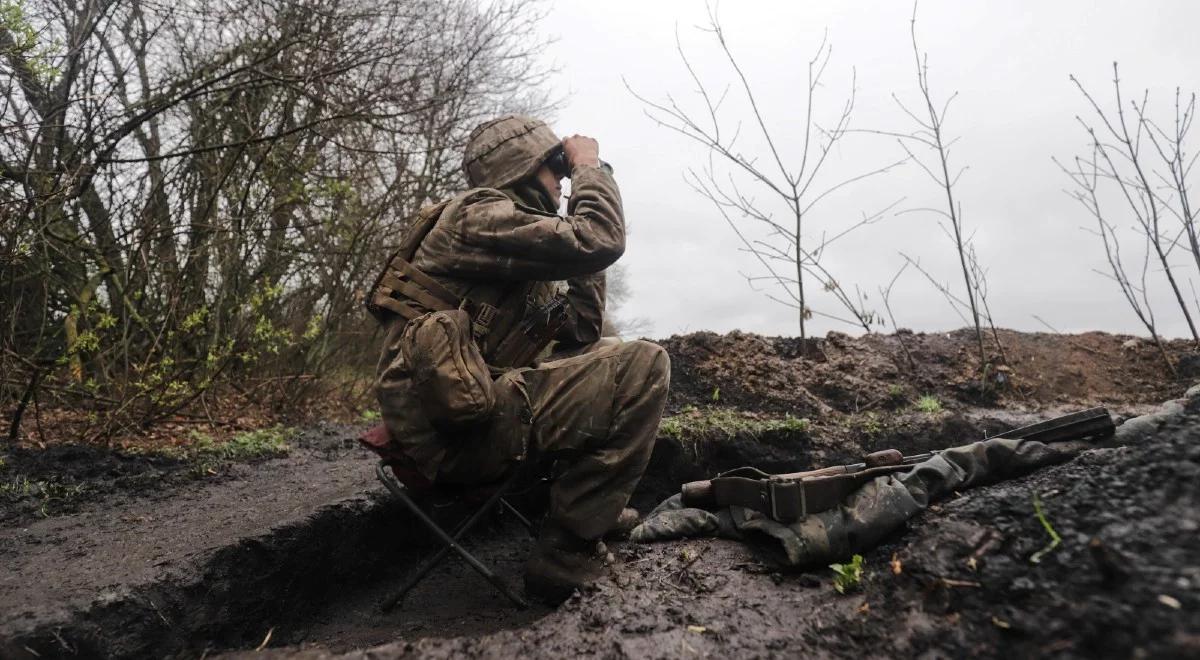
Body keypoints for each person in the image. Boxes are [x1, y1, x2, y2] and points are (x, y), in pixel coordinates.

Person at [366, 115, 671, 604]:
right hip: (452, 432)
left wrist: (578, 242)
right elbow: (601, 238)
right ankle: (566, 553)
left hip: (474, 413)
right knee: (645, 364)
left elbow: (580, 330)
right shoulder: (475, 217)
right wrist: (592, 167)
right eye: (557, 169)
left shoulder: (513, 254)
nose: (563, 178)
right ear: (524, 170)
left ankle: (594, 507)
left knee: (613, 352)